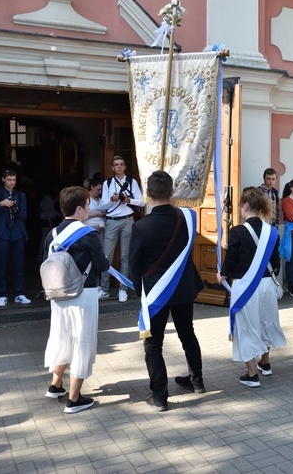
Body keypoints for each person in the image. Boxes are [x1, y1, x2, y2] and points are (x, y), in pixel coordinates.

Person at [130, 170, 205, 412]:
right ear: (172, 192)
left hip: (155, 294)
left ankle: (160, 396)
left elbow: (134, 266)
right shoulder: (188, 218)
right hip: (183, 288)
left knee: (153, 345)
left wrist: (139, 293)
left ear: (148, 194)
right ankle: (197, 382)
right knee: (188, 335)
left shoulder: (141, 227)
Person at [42, 186, 110, 414]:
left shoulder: (51, 234)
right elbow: (101, 266)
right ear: (79, 209)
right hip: (85, 293)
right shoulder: (88, 234)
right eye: (88, 205)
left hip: (58, 295)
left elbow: (45, 263)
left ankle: (56, 385)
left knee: (62, 337)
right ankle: (74, 398)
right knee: (83, 341)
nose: (89, 209)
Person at [216, 188, 286, 388]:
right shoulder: (271, 231)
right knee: (265, 322)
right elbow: (275, 260)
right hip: (267, 284)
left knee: (246, 326)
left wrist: (222, 274)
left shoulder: (237, 231)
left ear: (245, 207)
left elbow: (231, 258)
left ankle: (252, 374)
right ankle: (266, 364)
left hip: (246, 286)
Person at [99, 156, 144, 303]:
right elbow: (103, 206)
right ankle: (104, 289)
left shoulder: (132, 182)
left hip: (127, 220)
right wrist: (112, 200)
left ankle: (123, 289)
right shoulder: (108, 183)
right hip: (112, 221)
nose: (119, 167)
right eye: (116, 165)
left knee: (125, 257)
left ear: (125, 167)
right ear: (112, 168)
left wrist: (128, 200)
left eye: (121, 164)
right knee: (107, 256)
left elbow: (142, 202)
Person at [0, 168, 31, 307]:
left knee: (19, 264)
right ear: (3, 179)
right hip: (2, 233)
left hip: (18, 231)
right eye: (9, 180)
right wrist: (2, 204)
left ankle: (19, 293)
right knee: (2, 264)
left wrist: (15, 207)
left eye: (14, 180)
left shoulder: (20, 195)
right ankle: (2, 294)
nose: (12, 183)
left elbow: (24, 215)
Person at [82, 178, 108, 244]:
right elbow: (81, 216)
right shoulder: (85, 199)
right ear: (92, 187)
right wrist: (97, 214)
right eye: (98, 189)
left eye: (101, 190)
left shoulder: (101, 200)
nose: (100, 192)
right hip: (89, 228)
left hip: (102, 230)